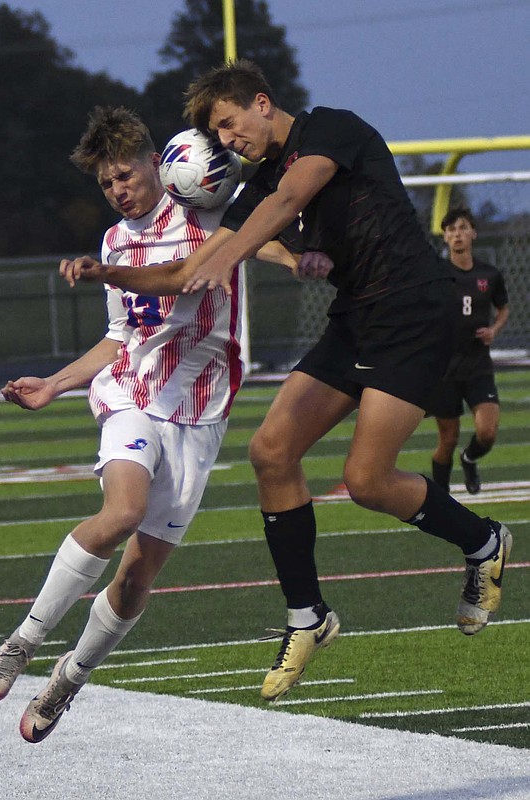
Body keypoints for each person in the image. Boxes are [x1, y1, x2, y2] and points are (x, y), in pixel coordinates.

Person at [0, 105, 321, 743]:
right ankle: (23, 640)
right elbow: (119, 337)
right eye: (107, 184)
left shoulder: (206, 208)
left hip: (202, 413)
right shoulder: (113, 242)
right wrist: (55, 383)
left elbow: (264, 235)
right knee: (122, 513)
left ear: (155, 164)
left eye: (125, 175)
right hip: (131, 394)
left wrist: (296, 262)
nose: (118, 190)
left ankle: (69, 679)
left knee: (138, 576)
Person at [174, 59, 512, 702]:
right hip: (356, 316)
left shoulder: (332, 127)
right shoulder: (259, 180)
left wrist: (235, 254)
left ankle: (484, 539)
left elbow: (290, 200)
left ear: (262, 103)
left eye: (229, 124)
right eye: (216, 137)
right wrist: (140, 264)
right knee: (270, 452)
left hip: (414, 310)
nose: (227, 142)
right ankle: (307, 617)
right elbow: (221, 237)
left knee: (365, 481)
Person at [429, 207, 509, 494]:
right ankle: (440, 497)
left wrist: (494, 331)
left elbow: (503, 308)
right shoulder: (437, 274)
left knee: (487, 432)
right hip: (445, 368)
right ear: (445, 238)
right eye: (450, 230)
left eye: (462, 228)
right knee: (447, 440)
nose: (457, 234)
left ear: (473, 233)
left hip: (477, 364)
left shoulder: (489, 274)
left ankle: (470, 458)